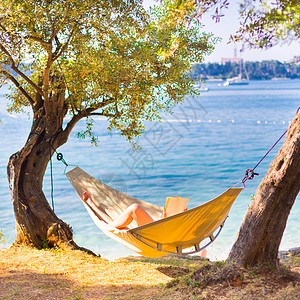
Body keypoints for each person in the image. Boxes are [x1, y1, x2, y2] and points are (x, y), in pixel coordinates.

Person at [82, 191, 207, 257]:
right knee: (119, 227)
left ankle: (94, 207)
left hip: (156, 238)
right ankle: (93, 206)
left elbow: (173, 235)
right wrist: (166, 218)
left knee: (134, 209)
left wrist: (167, 219)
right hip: (157, 236)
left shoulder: (187, 241)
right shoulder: (191, 242)